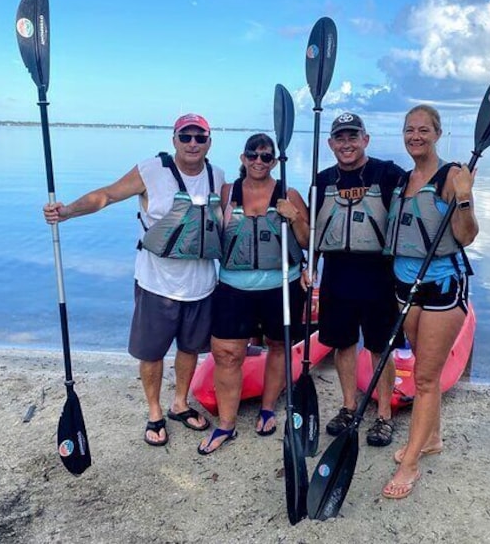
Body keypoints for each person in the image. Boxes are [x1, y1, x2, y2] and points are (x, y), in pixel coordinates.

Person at [42, 113, 224, 447]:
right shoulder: (151, 170)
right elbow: (108, 195)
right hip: (157, 284)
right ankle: (154, 411)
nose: (193, 143)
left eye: (200, 137)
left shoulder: (218, 176)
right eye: (186, 136)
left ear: (209, 142)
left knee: (189, 349)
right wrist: (67, 211)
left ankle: (179, 403)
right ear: (174, 139)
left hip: (200, 285)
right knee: (151, 352)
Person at [380, 104, 477, 499]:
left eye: (423, 130)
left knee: (423, 379)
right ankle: (432, 437)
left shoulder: (451, 176)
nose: (415, 136)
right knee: (426, 372)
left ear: (437, 133)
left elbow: (467, 235)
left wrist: (466, 198)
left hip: (441, 287)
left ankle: (411, 464)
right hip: (406, 286)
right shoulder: (403, 180)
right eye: (409, 130)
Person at [197, 133, 310, 454]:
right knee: (226, 354)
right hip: (234, 288)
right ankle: (226, 424)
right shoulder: (226, 193)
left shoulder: (289, 194)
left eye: (265, 156)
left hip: (282, 287)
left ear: (274, 161)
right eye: (252, 155)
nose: (258, 161)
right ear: (243, 158)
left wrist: (295, 217)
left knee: (277, 346)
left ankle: (268, 408)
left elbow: (306, 241)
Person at [313, 112, 407, 448]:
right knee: (343, 344)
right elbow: (310, 231)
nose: (347, 143)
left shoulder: (388, 174)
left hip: (379, 275)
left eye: (353, 137)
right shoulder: (322, 180)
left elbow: (423, 189)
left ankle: (383, 415)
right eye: (340, 138)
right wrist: (308, 266)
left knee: (379, 347)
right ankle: (349, 406)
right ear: (330, 144)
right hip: (336, 272)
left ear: (365, 139)